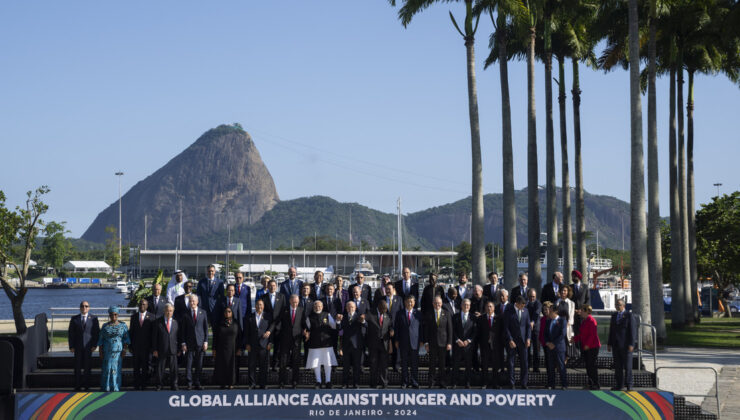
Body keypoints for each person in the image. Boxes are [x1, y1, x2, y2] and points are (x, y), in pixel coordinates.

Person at [305, 300, 338, 389]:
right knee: (316, 363)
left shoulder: (327, 315)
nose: (317, 307)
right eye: (316, 306)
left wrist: (338, 321)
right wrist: (306, 333)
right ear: (313, 307)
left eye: (319, 306)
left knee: (328, 363)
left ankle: (328, 381)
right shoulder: (309, 317)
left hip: (326, 343)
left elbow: (334, 326)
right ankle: (318, 382)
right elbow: (307, 328)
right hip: (314, 343)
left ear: (322, 307)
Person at [68, 300, 100, 391]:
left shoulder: (94, 318)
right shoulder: (74, 319)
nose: (84, 308)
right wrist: (71, 346)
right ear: (80, 308)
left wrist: (94, 345)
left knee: (87, 367)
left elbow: (96, 333)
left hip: (89, 347)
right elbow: (71, 333)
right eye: (82, 306)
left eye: (86, 306)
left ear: (89, 308)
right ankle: (77, 386)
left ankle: (87, 386)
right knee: (77, 367)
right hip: (77, 347)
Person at [97, 306, 130, 392]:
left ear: (118, 315)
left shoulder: (123, 326)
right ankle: (106, 387)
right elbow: (101, 339)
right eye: (111, 314)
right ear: (109, 315)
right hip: (107, 351)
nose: (113, 316)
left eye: (115, 314)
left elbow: (126, 339)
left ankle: (116, 387)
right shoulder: (105, 326)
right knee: (107, 369)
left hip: (118, 352)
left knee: (116, 369)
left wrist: (124, 350)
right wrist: (100, 351)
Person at [394, 295, 423, 389]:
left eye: (411, 301)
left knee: (414, 364)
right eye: (408, 301)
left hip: (415, 342)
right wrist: (396, 340)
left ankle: (415, 382)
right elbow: (396, 328)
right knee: (404, 364)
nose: (410, 303)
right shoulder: (400, 313)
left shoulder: (418, 313)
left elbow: (421, 328)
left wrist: (422, 340)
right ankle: (405, 382)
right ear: (405, 302)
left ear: (414, 302)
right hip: (403, 342)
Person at [181, 295, 208, 390]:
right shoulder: (185, 314)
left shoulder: (203, 312)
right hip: (189, 343)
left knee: (199, 364)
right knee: (189, 364)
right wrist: (183, 343)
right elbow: (183, 330)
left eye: (193, 301)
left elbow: (205, 329)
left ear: (197, 302)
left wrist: (206, 341)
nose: (191, 303)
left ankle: (198, 382)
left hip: (200, 343)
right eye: (190, 301)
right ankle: (189, 383)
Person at [608, 299, 636, 391]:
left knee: (628, 367)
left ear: (623, 306)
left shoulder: (629, 315)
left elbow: (632, 331)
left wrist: (632, 344)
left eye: (619, 305)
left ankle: (629, 385)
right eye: (616, 304)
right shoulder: (614, 316)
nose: (617, 306)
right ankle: (620, 385)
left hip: (626, 345)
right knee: (618, 367)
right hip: (616, 345)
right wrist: (609, 343)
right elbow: (611, 331)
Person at [504, 296, 531, 389]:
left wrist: (528, 338)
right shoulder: (508, 311)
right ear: (517, 303)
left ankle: (524, 383)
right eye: (521, 305)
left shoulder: (526, 311)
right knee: (511, 363)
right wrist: (510, 339)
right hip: (512, 342)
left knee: (524, 363)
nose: (523, 307)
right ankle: (512, 383)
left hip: (523, 342)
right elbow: (506, 327)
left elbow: (528, 326)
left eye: (524, 305)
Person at [278, 295, 305, 388]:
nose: (295, 304)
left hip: (296, 340)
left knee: (296, 361)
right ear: (290, 301)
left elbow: (304, 323)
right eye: (293, 302)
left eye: (297, 302)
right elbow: (278, 323)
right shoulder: (284, 310)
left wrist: (306, 330)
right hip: (285, 339)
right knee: (283, 361)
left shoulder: (301, 310)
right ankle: (282, 381)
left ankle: (295, 381)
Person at [425, 296, 452, 388]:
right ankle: (431, 383)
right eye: (436, 303)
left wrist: (449, 342)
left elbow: (450, 329)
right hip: (432, 343)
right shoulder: (428, 314)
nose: (437, 305)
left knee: (442, 364)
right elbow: (426, 330)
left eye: (439, 303)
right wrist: (426, 343)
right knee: (431, 364)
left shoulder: (447, 313)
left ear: (442, 303)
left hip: (443, 343)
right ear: (433, 304)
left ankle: (442, 382)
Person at [246, 299, 273, 389]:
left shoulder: (268, 317)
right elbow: (247, 332)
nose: (259, 306)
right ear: (255, 306)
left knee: (263, 366)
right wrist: (247, 344)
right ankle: (252, 384)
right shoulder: (250, 316)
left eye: (261, 305)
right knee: (251, 365)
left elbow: (271, 330)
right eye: (257, 305)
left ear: (263, 306)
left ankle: (263, 384)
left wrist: (270, 342)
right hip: (252, 345)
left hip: (264, 345)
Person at [213, 307, 242, 389]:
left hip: (233, 348)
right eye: (225, 311)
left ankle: (231, 383)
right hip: (221, 349)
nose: (227, 313)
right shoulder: (219, 323)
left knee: (232, 366)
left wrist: (239, 348)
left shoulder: (236, 323)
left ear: (232, 313)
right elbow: (215, 337)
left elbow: (240, 336)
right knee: (222, 366)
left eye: (229, 311)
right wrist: (214, 349)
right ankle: (222, 383)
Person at [573, 304, 601, 389]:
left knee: (591, 365)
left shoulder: (591, 320)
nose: (580, 312)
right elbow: (582, 334)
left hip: (592, 347)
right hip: (586, 346)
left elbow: (592, 335)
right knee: (588, 366)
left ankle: (595, 383)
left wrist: (587, 345)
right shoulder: (584, 321)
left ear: (586, 311)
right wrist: (575, 339)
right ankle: (590, 383)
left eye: (581, 310)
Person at [153, 303, 179, 391]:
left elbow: (178, 337)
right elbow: (154, 337)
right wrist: (155, 349)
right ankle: (159, 385)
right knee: (160, 369)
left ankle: (174, 384)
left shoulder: (176, 323)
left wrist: (178, 349)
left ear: (173, 312)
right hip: (161, 349)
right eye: (167, 310)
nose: (169, 312)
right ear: (164, 311)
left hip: (173, 349)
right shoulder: (158, 322)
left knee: (174, 369)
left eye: (171, 311)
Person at [340, 301, 366, 388]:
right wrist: (337, 321)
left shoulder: (359, 317)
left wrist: (363, 321)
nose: (350, 308)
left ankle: (356, 383)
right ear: (346, 308)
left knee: (357, 366)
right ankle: (345, 383)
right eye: (348, 307)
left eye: (352, 307)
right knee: (346, 366)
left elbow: (366, 325)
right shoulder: (343, 318)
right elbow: (338, 328)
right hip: (346, 345)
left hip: (357, 345)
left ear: (355, 308)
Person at [366, 300, 392, 388]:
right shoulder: (371, 314)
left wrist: (392, 330)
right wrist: (362, 319)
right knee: (373, 364)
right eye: (383, 309)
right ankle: (373, 383)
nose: (384, 311)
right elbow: (365, 322)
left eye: (385, 310)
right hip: (373, 344)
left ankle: (384, 383)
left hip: (384, 343)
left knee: (384, 365)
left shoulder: (388, 315)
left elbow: (390, 326)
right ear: (379, 307)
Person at [129, 299, 155, 390]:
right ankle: (136, 384)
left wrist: (152, 347)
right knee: (136, 367)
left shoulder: (152, 317)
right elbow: (131, 332)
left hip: (147, 348)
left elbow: (153, 334)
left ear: (147, 306)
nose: (142, 306)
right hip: (136, 347)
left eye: (144, 304)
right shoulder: (134, 317)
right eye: (140, 304)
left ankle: (144, 385)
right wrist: (130, 346)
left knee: (145, 367)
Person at [452, 299, 477, 389]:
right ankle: (454, 382)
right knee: (456, 365)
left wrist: (469, 340)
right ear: (461, 305)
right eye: (464, 304)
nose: (466, 306)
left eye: (468, 305)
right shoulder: (455, 316)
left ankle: (467, 383)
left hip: (468, 346)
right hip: (457, 345)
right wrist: (457, 340)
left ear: (470, 306)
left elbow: (475, 332)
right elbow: (452, 330)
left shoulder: (473, 317)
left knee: (468, 365)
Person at [478, 301, 501, 389]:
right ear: (485, 308)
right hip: (484, 346)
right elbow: (478, 333)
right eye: (487, 307)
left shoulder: (499, 318)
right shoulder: (481, 318)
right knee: (485, 366)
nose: (489, 308)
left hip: (495, 346)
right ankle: (485, 383)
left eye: (491, 306)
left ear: (494, 308)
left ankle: (495, 383)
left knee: (496, 366)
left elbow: (501, 333)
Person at [545, 306, 568, 390]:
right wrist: (547, 342)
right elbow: (545, 334)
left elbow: (562, 334)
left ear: (555, 312)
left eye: (550, 312)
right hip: (550, 348)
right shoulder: (548, 321)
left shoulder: (562, 320)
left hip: (559, 348)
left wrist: (554, 343)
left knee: (561, 366)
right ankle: (551, 384)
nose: (549, 313)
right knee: (550, 367)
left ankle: (564, 384)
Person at [197, 264, 224, 329]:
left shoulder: (220, 282)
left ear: (214, 272)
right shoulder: (201, 282)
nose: (210, 272)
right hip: (204, 308)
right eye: (209, 271)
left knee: (215, 328)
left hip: (215, 308)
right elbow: (199, 295)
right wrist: (200, 307)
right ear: (207, 272)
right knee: (203, 327)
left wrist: (219, 307)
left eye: (212, 271)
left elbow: (222, 296)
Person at [526, 288, 543, 372]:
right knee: (527, 348)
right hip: (527, 329)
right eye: (530, 296)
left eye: (533, 296)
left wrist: (532, 322)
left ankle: (536, 367)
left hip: (535, 328)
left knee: (536, 348)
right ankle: (528, 365)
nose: (532, 298)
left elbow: (537, 313)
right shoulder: (525, 303)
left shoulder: (538, 303)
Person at [570, 269, 589, 335]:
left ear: (578, 277)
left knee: (583, 332)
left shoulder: (585, 287)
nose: (573, 278)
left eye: (574, 276)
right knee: (574, 332)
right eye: (572, 276)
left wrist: (582, 310)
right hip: (573, 314)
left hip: (582, 314)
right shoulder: (570, 287)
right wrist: (573, 310)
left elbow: (588, 300)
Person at [539, 303, 553, 381]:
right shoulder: (542, 319)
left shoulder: (553, 319)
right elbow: (541, 332)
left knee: (552, 364)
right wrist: (541, 342)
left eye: (546, 309)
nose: (545, 311)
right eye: (544, 309)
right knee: (547, 363)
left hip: (552, 345)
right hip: (545, 344)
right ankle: (549, 381)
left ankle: (552, 381)